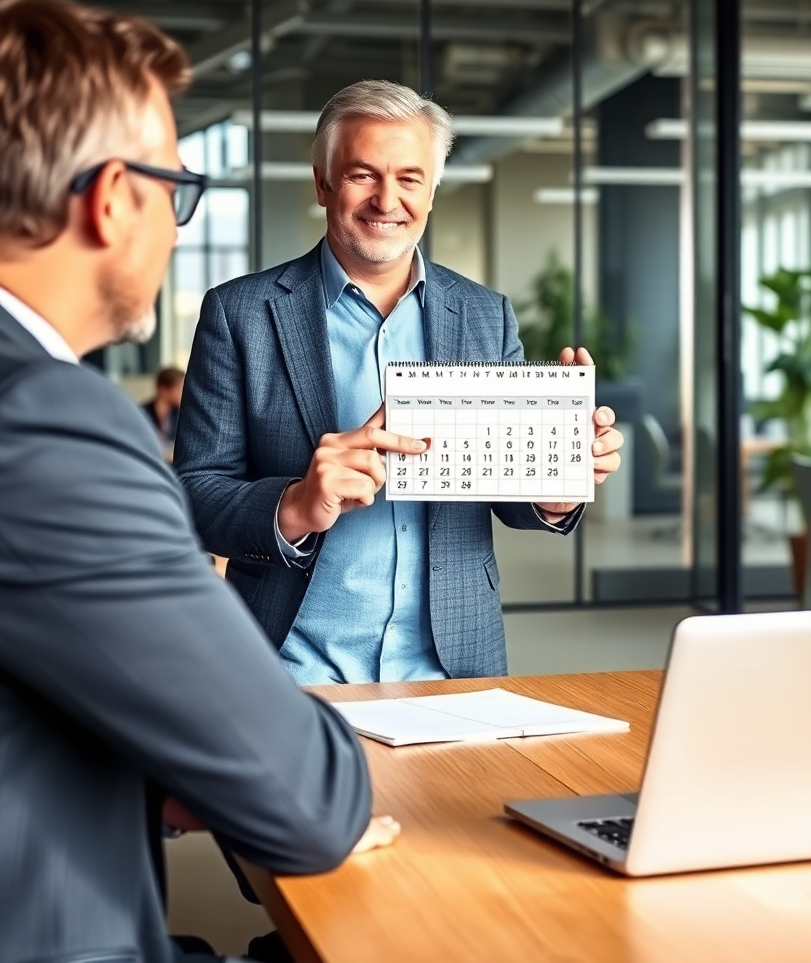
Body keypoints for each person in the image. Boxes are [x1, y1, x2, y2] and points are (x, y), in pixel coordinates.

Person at [0, 0, 397, 963]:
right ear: (108, 198)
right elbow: (309, 801)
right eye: (174, 191)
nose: (177, 229)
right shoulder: (48, 418)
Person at [175, 80, 624, 686]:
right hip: (289, 668)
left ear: (432, 191)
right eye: (363, 174)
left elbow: (507, 492)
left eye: (410, 178)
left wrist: (557, 482)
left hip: (453, 667)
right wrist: (296, 504)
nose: (388, 199)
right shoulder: (241, 314)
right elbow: (196, 494)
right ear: (323, 183)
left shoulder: (485, 315)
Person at [142, 364, 185, 454]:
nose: (184, 393)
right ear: (164, 389)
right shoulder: (142, 414)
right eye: (180, 388)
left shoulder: (180, 416)